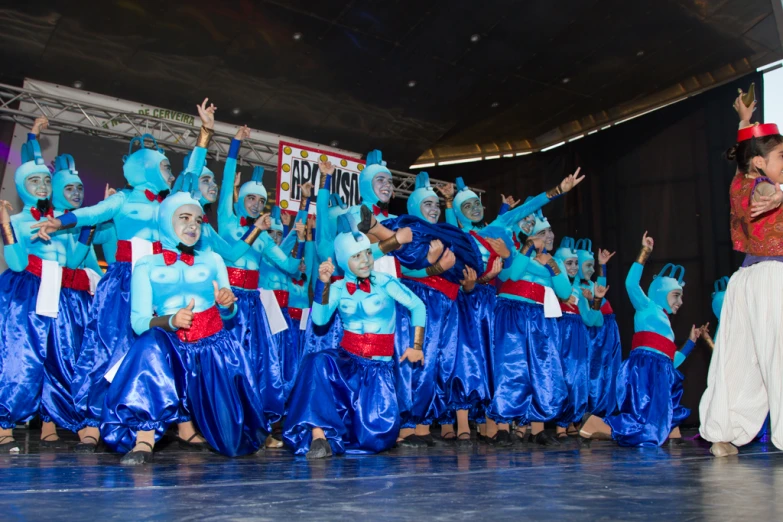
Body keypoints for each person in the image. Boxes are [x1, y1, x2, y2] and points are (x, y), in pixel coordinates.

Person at [31, 99, 218, 452]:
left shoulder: (171, 201)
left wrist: (205, 133)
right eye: (162, 165)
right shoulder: (122, 200)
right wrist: (60, 221)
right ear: (144, 168)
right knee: (109, 347)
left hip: (158, 281)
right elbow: (90, 213)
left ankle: (179, 420)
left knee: (164, 350)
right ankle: (93, 418)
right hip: (122, 281)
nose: (168, 171)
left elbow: (191, 173)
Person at [100, 190, 265, 465]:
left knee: (234, 444)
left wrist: (226, 304)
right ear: (166, 221)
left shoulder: (213, 260)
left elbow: (231, 312)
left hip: (211, 346)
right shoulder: (146, 265)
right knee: (149, 343)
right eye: (184, 218)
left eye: (198, 220)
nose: (193, 226)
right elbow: (139, 323)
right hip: (170, 347)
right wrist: (171, 321)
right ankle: (144, 437)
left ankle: (202, 425)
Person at [283, 214, 426, 459]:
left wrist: (416, 345)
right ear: (343, 260)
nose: (365, 261)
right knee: (316, 362)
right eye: (357, 256)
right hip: (347, 363)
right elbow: (318, 321)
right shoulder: (337, 288)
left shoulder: (384, 282)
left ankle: (340, 433)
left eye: (368, 254)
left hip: (378, 368)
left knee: (376, 439)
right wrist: (322, 283)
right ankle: (319, 436)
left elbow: (418, 307)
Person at [0, 125, 93, 451]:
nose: (40, 186)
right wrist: (6, 226)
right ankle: (4, 424)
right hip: (25, 293)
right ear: (22, 187)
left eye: (44, 180)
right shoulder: (21, 220)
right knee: (22, 358)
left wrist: (86, 229)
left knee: (63, 357)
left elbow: (75, 259)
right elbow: (14, 262)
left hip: (59, 291)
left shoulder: (57, 222)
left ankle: (62, 422)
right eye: (33, 181)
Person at [700, 93, 783, 456]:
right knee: (777, 357)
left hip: (744, 281)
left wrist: (745, 121)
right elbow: (768, 192)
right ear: (761, 162)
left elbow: (745, 165)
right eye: (782, 157)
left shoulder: (739, 182)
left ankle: (723, 433)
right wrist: (778, 195)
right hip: (772, 278)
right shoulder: (766, 187)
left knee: (738, 359)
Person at [580, 232, 706, 446]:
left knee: (663, 416)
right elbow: (631, 283)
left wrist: (691, 342)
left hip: (660, 370)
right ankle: (598, 425)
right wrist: (644, 252)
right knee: (642, 420)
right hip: (644, 370)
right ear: (660, 292)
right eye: (676, 295)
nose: (680, 301)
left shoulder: (665, 323)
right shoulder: (647, 306)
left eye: (681, 296)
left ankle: (668, 429)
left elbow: (671, 360)